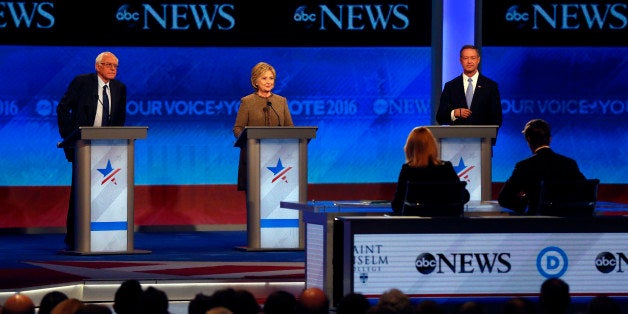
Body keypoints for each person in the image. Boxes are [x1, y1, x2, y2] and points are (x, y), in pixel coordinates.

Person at [56, 51, 127, 250]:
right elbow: (63, 108)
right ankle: (74, 238)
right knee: (80, 193)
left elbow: (120, 120)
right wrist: (69, 137)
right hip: (83, 146)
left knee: (106, 191)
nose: (113, 69)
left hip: (108, 150)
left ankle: (106, 237)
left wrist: (116, 143)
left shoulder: (120, 88)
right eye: (109, 65)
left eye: (116, 66)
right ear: (98, 66)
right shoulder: (82, 82)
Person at [498, 119, 586, 215]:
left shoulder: (524, 166)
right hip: (565, 224)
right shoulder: (569, 164)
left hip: (535, 225)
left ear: (528, 139)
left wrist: (526, 204)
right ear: (549, 139)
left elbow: (504, 198)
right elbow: (586, 192)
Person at [232, 62, 294, 191]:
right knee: (256, 201)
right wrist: (249, 142)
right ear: (255, 81)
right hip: (253, 157)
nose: (268, 82)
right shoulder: (247, 102)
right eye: (264, 78)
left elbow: (290, 128)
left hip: (278, 158)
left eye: (271, 78)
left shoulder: (281, 101)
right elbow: (238, 128)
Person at [391, 126, 469, 214]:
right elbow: (463, 196)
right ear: (432, 146)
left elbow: (397, 205)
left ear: (410, 148)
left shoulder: (408, 170)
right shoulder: (446, 168)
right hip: (445, 225)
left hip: (415, 225)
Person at [436, 44, 502, 143]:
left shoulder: (490, 86)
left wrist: (488, 139)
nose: (469, 61)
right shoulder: (450, 86)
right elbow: (440, 117)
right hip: (454, 143)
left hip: (481, 144)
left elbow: (497, 118)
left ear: (478, 60)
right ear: (460, 60)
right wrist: (454, 113)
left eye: (473, 58)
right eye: (466, 58)